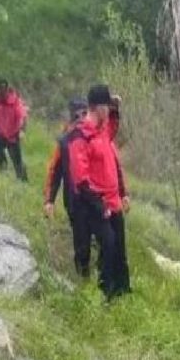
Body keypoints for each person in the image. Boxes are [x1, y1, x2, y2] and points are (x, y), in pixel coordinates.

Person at [67, 84, 130, 299]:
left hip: (113, 199)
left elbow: (112, 128)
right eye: (107, 106)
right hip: (95, 202)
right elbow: (80, 179)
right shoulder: (80, 137)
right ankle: (106, 293)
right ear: (97, 108)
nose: (109, 110)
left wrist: (116, 109)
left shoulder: (103, 130)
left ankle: (121, 290)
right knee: (108, 245)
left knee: (119, 246)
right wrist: (99, 205)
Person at [44, 97, 91, 278]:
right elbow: (54, 172)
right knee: (81, 241)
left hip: (97, 198)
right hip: (74, 200)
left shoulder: (95, 135)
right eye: (77, 114)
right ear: (71, 117)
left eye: (84, 113)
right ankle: (83, 278)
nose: (80, 117)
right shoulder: (64, 142)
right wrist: (49, 200)